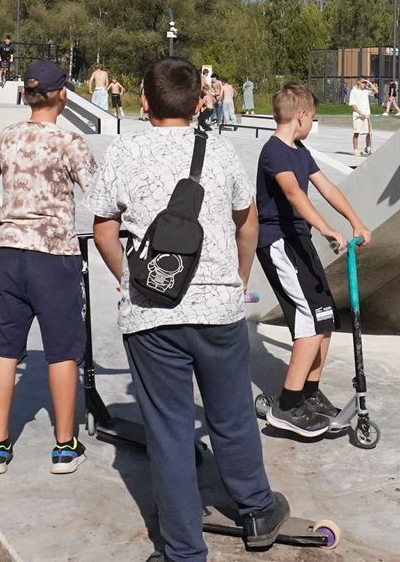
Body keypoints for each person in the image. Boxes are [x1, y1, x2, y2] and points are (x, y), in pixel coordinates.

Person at [88, 57, 292, 562]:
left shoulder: (124, 152)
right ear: (201, 102)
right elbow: (247, 223)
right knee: (231, 414)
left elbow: (103, 229)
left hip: (152, 317)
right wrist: (239, 277)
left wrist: (127, 281)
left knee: (170, 431)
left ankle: (183, 549)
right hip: (218, 311)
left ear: (142, 101)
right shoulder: (220, 151)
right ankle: (257, 509)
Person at [0, 59, 98, 476]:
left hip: (10, 256)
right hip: (55, 256)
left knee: (4, 350)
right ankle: (63, 446)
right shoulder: (69, 141)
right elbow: (101, 195)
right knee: (61, 352)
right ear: (63, 94)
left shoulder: (4, 138)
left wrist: (11, 219)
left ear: (27, 94)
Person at [255, 84, 373, 438]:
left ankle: (308, 393)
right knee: (307, 321)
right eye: (313, 117)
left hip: (299, 240)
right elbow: (292, 194)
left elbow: (328, 188)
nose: (313, 123)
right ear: (301, 115)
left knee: (325, 317)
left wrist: (356, 221)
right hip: (277, 241)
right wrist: (325, 228)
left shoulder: (300, 150)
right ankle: (287, 406)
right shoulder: (273, 151)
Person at [347, 78, 375, 157]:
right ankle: (356, 150)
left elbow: (376, 91)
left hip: (366, 115)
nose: (364, 84)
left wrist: (369, 82)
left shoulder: (366, 91)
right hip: (358, 116)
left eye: (365, 83)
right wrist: (360, 113)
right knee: (356, 132)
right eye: (363, 82)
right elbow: (353, 105)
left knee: (369, 133)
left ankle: (368, 148)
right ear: (358, 82)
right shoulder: (354, 91)